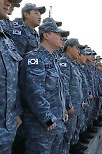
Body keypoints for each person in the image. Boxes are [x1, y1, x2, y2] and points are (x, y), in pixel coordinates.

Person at [18, 21, 68, 153]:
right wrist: (47, 117)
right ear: (46, 35)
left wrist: (63, 111)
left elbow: (58, 90)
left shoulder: (54, 60)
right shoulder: (35, 59)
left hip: (56, 123)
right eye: (58, 34)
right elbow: (34, 92)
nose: (62, 38)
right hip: (41, 127)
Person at [0, 0, 22, 153]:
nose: (9, 3)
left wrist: (15, 112)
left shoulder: (6, 40)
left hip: (6, 128)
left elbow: (13, 81)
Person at [59, 38, 85, 154]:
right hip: (69, 108)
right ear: (69, 48)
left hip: (75, 105)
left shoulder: (72, 64)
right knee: (65, 137)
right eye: (77, 48)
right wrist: (69, 105)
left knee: (70, 134)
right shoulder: (63, 63)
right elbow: (63, 87)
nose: (79, 51)